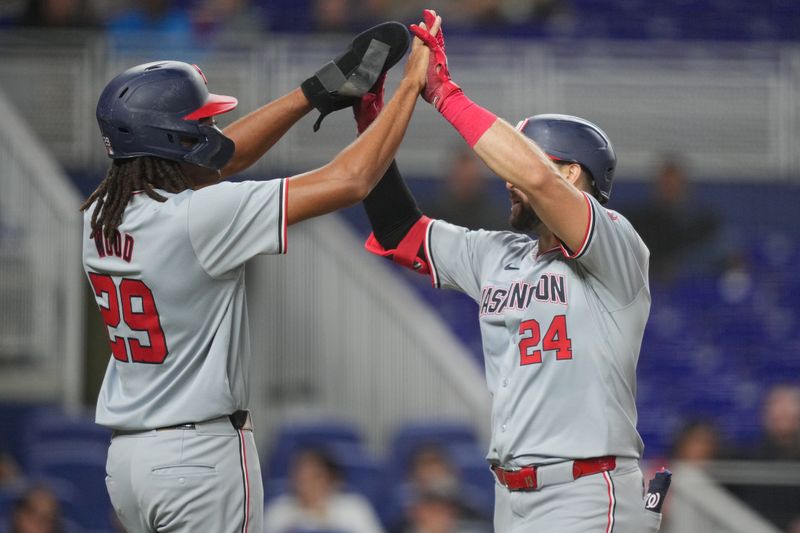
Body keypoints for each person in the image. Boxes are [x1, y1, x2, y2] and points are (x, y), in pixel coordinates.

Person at [81, 16, 438, 533]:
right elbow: (352, 179)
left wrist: (317, 90)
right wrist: (410, 86)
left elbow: (217, 161)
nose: (210, 131)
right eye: (198, 124)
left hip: (131, 463)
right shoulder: (197, 217)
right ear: (168, 135)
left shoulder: (97, 215)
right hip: (199, 457)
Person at [358, 10, 661, 533]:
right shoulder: (499, 255)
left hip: (586, 493)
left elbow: (536, 182)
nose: (506, 178)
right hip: (511, 497)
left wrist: (445, 95)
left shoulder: (616, 243)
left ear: (571, 173)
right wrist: (372, 118)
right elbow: (398, 230)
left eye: (526, 159)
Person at [263, 448, 384, 533]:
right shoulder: (278, 511)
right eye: (300, 476)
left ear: (331, 478)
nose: (306, 483)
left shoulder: (354, 508)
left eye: (315, 476)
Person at [424, 148, 507, 231]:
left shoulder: (495, 219)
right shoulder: (432, 218)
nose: (465, 185)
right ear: (451, 178)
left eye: (470, 179)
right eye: (460, 178)